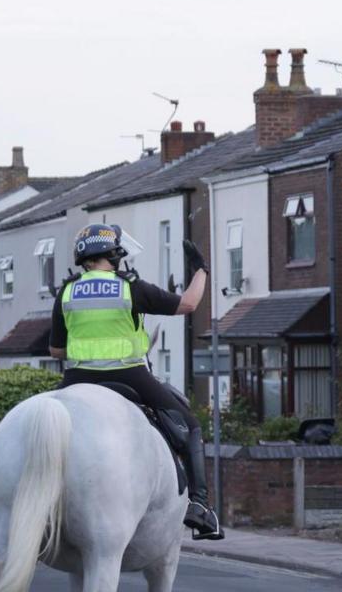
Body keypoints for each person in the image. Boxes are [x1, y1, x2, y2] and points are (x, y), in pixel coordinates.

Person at [48, 222, 223, 540]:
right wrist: (201, 271)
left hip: (76, 378)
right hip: (128, 374)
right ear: (113, 255)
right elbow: (189, 304)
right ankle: (200, 507)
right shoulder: (130, 287)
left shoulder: (67, 291)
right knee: (191, 426)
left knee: (42, 422)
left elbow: (56, 348)